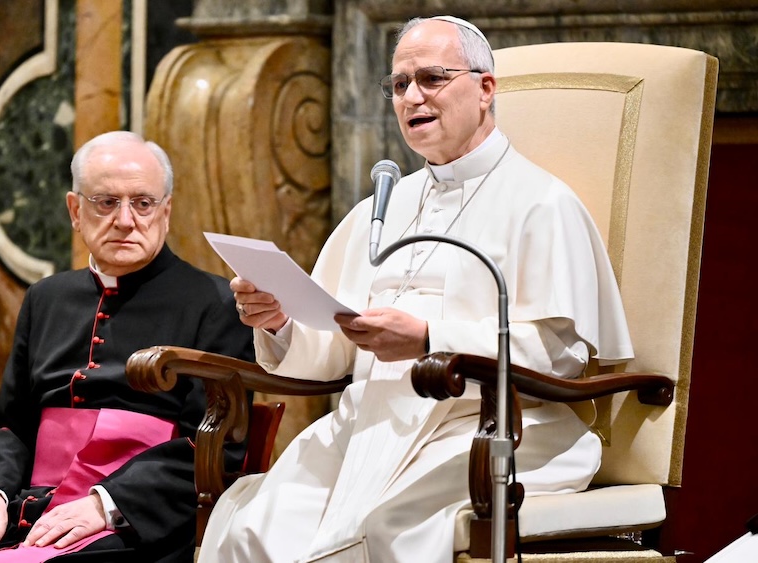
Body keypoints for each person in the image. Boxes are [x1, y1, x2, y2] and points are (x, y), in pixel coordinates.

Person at [200, 15, 634, 563]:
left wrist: (431, 337)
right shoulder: (383, 207)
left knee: (381, 532)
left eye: (431, 78)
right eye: (400, 84)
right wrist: (280, 322)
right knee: (254, 528)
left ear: (485, 89)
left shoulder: (541, 204)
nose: (412, 96)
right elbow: (334, 348)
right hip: (370, 424)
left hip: (488, 429)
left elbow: (559, 357)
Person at [0, 131, 254, 563]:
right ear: (75, 210)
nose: (125, 219)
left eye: (143, 203)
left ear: (166, 212)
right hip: (32, 511)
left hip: (136, 522)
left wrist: (106, 502)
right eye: (105, 202)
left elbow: (214, 447)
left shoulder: (215, 304)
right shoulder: (45, 299)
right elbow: (13, 428)